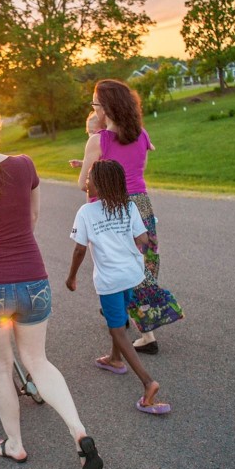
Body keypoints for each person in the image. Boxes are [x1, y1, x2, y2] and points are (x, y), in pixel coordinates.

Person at [0, 105, 103, 469]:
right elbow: (31, 219)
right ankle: (79, 432)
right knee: (39, 362)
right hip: (32, 279)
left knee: (1, 368)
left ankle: (14, 444)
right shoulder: (24, 165)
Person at [66, 160, 171, 415]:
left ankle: (148, 383)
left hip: (110, 281)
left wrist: (71, 277)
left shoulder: (86, 212)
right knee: (120, 318)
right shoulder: (128, 206)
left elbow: (80, 248)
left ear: (100, 185)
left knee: (117, 330)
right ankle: (115, 359)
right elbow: (143, 239)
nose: (86, 183)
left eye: (89, 178)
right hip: (132, 275)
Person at [77, 79, 161, 354]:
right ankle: (147, 333)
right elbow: (139, 169)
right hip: (140, 206)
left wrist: (89, 167)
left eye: (95, 104)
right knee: (143, 264)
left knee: (112, 264)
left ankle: (118, 314)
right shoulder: (142, 135)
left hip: (109, 209)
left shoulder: (98, 140)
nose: (93, 109)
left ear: (105, 108)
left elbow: (83, 183)